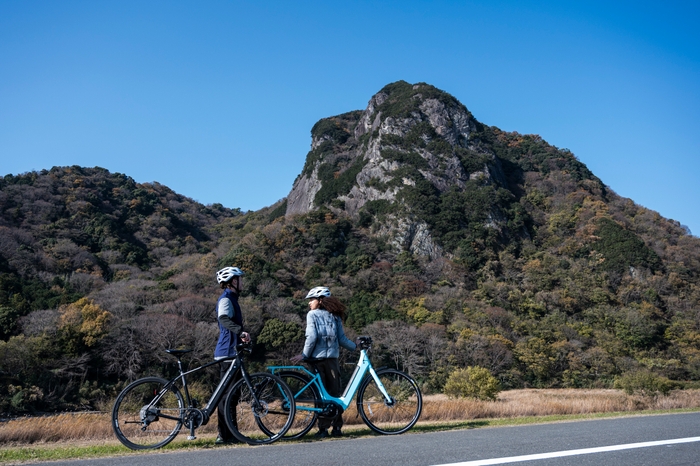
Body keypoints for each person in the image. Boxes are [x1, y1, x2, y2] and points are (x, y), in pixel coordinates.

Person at [291, 286, 358, 438]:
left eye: (311, 300)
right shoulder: (335, 316)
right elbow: (342, 339)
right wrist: (355, 346)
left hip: (316, 360)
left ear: (320, 301)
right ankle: (337, 428)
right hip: (332, 360)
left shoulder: (312, 315)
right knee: (335, 395)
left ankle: (323, 429)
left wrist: (304, 354)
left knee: (321, 396)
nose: (309, 303)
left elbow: (312, 337)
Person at [214, 266, 250, 445]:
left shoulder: (232, 298)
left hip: (232, 351)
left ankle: (231, 433)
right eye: (240, 279)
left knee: (232, 395)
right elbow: (223, 318)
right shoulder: (226, 298)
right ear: (233, 281)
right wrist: (240, 332)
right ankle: (224, 434)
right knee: (227, 395)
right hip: (227, 352)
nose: (242, 282)